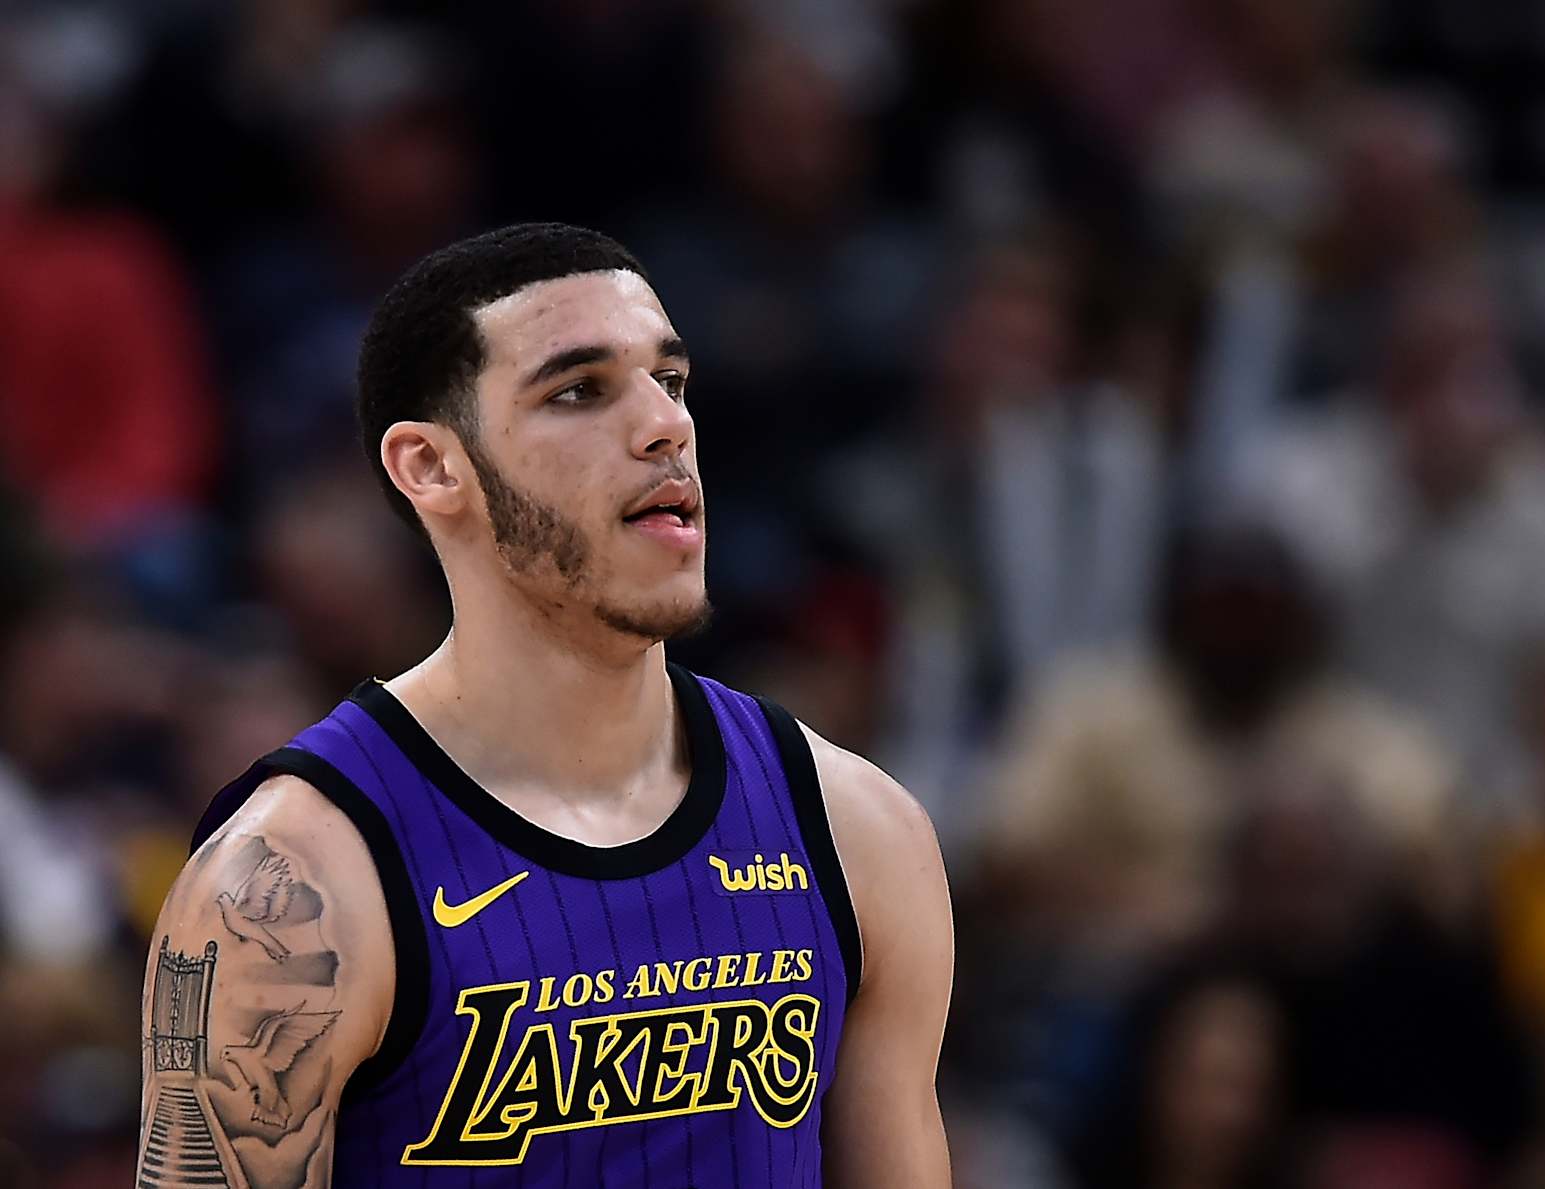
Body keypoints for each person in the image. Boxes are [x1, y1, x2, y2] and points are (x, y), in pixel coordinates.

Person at [134, 223, 954, 1187]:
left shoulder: (857, 828)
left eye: (671, 381)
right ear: (432, 467)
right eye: (579, 391)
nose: (665, 426)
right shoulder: (286, 888)